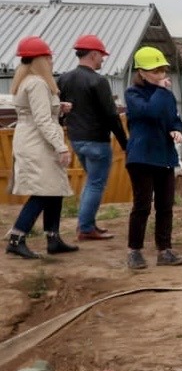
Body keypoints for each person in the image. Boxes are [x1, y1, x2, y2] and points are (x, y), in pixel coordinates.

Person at [5, 37, 79, 259]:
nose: (51, 60)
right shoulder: (37, 83)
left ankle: (53, 238)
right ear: (39, 60)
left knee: (54, 189)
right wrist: (61, 147)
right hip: (39, 143)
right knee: (43, 190)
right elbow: (42, 120)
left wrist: (59, 109)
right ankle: (16, 238)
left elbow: (37, 113)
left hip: (32, 139)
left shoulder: (26, 80)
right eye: (48, 57)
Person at [56, 33, 127, 241]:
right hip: (97, 139)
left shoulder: (64, 78)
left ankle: (88, 224)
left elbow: (58, 110)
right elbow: (111, 115)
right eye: (102, 56)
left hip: (76, 139)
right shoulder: (98, 81)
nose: (103, 60)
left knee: (91, 182)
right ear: (94, 54)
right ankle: (86, 228)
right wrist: (124, 143)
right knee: (96, 183)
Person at [122, 47, 182, 270]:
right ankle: (134, 251)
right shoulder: (133, 94)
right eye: (154, 70)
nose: (160, 74)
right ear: (141, 72)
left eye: (162, 70)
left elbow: (173, 118)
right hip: (141, 156)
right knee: (142, 205)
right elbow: (149, 112)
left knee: (165, 205)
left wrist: (176, 130)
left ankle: (164, 249)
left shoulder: (166, 95)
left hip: (164, 155)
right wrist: (161, 90)